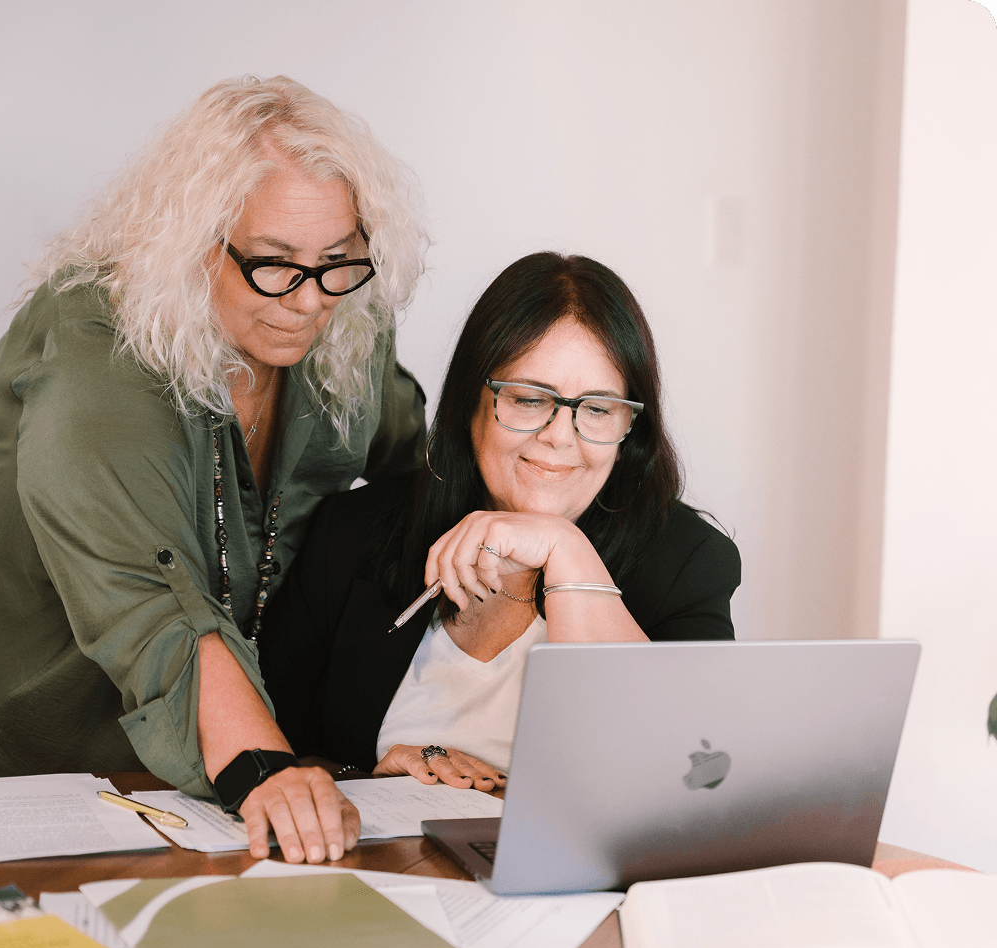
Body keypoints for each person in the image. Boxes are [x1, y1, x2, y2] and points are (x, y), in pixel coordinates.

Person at [0, 76, 429, 863]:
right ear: (194, 243)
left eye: (338, 261)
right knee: (45, 869)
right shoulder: (104, 337)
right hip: (15, 629)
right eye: (273, 264)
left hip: (190, 642)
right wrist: (265, 767)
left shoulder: (342, 316)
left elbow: (417, 472)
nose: (309, 301)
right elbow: (150, 590)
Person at [259, 252, 741, 790]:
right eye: (530, 400)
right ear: (472, 402)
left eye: (598, 409)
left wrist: (564, 548)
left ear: (631, 426)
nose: (561, 436)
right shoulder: (354, 533)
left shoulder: (690, 562)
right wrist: (367, 776)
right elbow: (269, 747)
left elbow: (690, 776)